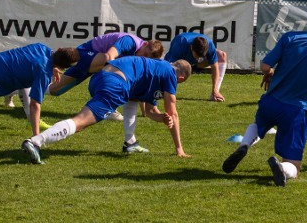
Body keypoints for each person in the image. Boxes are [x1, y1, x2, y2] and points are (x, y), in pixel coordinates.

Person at [222, 3, 307, 187]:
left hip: (271, 101)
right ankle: (282, 167)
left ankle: (244, 145)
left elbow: (265, 65)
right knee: (295, 165)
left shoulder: (290, 38)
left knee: (258, 125)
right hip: (295, 110)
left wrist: (269, 73)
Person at [20, 56, 192, 164]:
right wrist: (179, 149)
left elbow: (148, 111)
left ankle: (130, 143)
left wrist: (161, 117)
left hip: (101, 78)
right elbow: (174, 113)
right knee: (81, 121)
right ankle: (36, 141)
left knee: (130, 99)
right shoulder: (170, 74)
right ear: (181, 78)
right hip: (115, 83)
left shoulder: (157, 69)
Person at [164, 33, 227, 102]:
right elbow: (169, 67)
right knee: (169, 73)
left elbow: (215, 67)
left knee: (222, 55)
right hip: (181, 63)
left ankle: (215, 94)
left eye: (201, 56)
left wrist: (215, 90)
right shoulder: (180, 43)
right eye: (196, 55)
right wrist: (169, 91)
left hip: (196, 65)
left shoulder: (210, 45)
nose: (198, 58)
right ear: (191, 47)